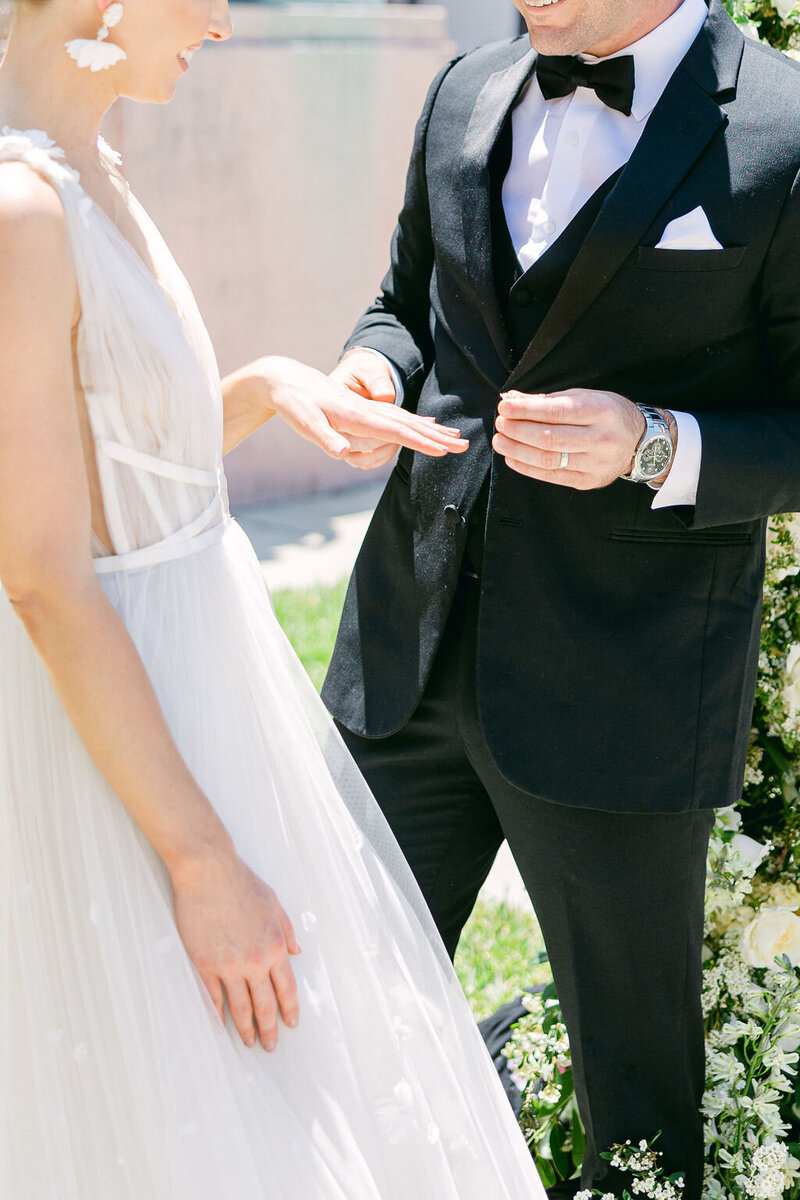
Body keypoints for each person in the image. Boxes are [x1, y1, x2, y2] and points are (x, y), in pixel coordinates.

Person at [0, 1, 546, 1195]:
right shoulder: (19, 210)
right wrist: (200, 862)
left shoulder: (88, 160)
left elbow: (111, 454)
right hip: (123, 711)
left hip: (206, 675)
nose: (222, 21)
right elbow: (41, 572)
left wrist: (265, 390)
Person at [322, 1, 800, 1197]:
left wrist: (654, 445)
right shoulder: (463, 90)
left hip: (621, 692)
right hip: (404, 657)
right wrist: (368, 367)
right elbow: (403, 306)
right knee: (324, 1035)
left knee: (633, 1117)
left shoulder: (786, 127)